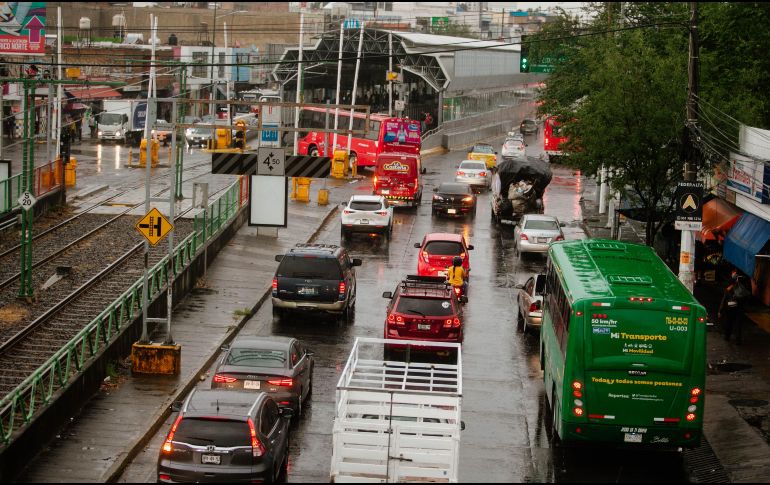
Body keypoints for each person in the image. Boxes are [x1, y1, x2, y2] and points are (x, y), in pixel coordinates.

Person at [718, 269, 749, 344]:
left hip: (731, 308)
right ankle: (737, 339)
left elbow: (724, 300)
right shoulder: (741, 285)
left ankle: (727, 337)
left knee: (729, 322)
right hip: (738, 308)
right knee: (737, 324)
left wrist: (720, 311)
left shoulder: (729, 288)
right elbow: (746, 295)